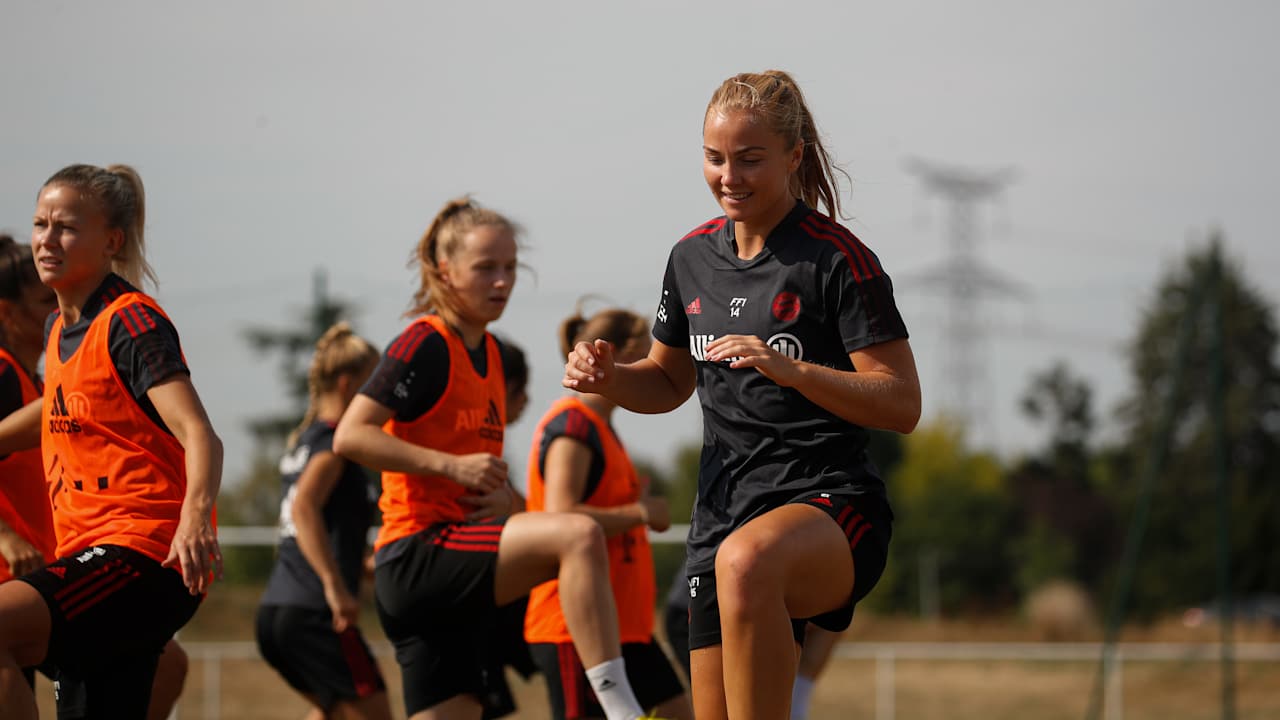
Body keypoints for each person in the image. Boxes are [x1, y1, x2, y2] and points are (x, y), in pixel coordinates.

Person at [563, 70, 921, 720]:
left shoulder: (838, 260)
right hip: (721, 518)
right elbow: (669, 381)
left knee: (748, 560)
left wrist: (795, 371)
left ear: (793, 156)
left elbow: (901, 403)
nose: (729, 175)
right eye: (714, 157)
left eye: (750, 159)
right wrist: (609, 377)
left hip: (832, 508)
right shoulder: (690, 257)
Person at [334, 197, 657, 720]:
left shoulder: (486, 354)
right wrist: (449, 466)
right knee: (577, 535)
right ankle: (621, 709)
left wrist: (507, 501)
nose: (502, 281)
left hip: (455, 564)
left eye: (510, 267)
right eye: (486, 268)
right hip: (418, 553)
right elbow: (351, 435)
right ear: (446, 270)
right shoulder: (423, 342)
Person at [0, 164, 223, 720]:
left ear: (112, 242)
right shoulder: (59, 328)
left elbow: (199, 433)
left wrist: (195, 518)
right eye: (40, 224)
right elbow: (56, 408)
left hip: (144, 554)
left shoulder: (130, 322)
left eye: (67, 228)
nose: (47, 240)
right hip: (91, 556)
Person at [524, 305, 692, 720]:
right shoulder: (573, 424)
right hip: (575, 628)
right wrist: (638, 512)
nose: (656, 368)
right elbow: (562, 514)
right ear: (622, 354)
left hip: (626, 627)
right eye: (648, 355)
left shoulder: (600, 426)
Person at [256, 322, 391, 720]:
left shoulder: (307, 439)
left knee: (332, 712)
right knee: (376, 712)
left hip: (279, 612)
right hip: (316, 612)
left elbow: (327, 530)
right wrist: (335, 586)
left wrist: (372, 568)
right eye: (376, 384)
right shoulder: (335, 441)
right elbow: (304, 508)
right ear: (350, 385)